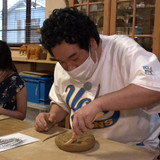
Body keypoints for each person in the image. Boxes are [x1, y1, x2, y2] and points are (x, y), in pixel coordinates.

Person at [34, 7, 160, 153]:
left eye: (74, 58)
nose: (69, 68)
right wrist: (51, 117)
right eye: (61, 62)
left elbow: (154, 88)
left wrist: (98, 104)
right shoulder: (62, 63)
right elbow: (62, 102)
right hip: (86, 145)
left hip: (133, 146)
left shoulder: (122, 50)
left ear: (92, 43)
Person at [0, 40, 27, 120]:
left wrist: (2, 111)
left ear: (6, 67)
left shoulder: (18, 83)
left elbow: (22, 115)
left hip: (8, 124)